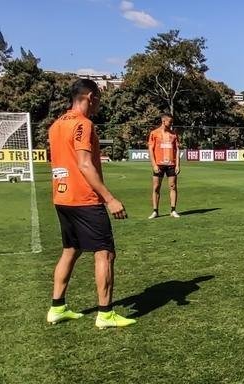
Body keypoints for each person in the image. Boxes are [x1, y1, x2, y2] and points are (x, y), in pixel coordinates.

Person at [46, 79, 135, 329]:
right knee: (104, 253)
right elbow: (84, 164)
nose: (99, 103)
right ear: (89, 96)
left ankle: (57, 307)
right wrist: (110, 199)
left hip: (62, 197)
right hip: (84, 198)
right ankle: (105, 314)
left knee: (70, 250)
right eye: (98, 98)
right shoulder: (83, 124)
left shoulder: (56, 125)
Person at [146, 113, 181, 219]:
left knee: (173, 186)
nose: (171, 124)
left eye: (171, 122)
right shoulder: (154, 133)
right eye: (169, 122)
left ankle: (173, 210)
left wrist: (178, 165)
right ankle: (155, 211)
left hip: (171, 164)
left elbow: (177, 150)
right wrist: (154, 165)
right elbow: (150, 150)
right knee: (156, 187)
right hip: (159, 165)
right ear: (163, 121)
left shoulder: (174, 134)